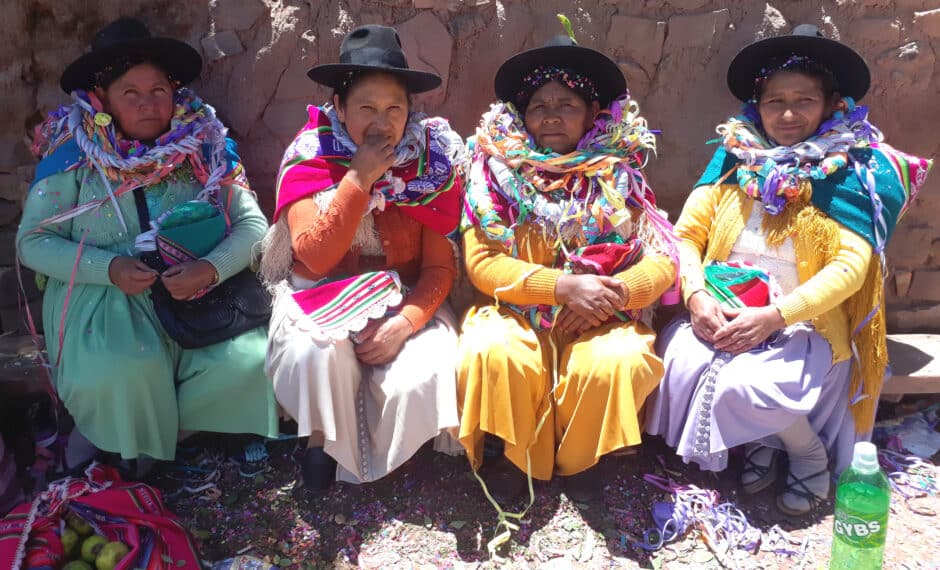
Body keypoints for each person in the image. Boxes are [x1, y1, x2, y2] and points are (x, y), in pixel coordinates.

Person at [645, 25, 932, 516]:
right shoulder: (734, 161)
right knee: (675, 359)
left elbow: (851, 267)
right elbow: (686, 236)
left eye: (804, 101)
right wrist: (695, 296)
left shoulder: (854, 173)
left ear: (831, 105)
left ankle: (806, 453)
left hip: (803, 325)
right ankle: (764, 441)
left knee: (745, 385)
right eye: (775, 101)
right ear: (757, 106)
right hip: (723, 306)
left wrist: (775, 317)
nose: (788, 114)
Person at [16, 18, 278, 463]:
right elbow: (33, 241)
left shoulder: (206, 148)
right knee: (127, 367)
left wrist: (210, 269)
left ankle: (186, 434)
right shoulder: (74, 156)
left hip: (198, 292)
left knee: (248, 360)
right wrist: (110, 268)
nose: (147, 103)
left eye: (158, 89)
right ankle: (131, 447)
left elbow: (252, 225)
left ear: (174, 92)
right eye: (130, 93)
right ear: (102, 99)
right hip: (102, 299)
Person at [457, 30, 677, 505]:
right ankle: (516, 459)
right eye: (539, 105)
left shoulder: (619, 177)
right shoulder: (491, 176)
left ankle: (581, 461)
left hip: (598, 317)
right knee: (494, 349)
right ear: (522, 115)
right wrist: (561, 288)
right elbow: (482, 263)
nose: (552, 115)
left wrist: (614, 294)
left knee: (620, 358)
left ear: (593, 114)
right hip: (517, 313)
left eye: (567, 105)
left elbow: (662, 258)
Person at [261, 25, 466, 491]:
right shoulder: (310, 158)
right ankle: (320, 439)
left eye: (394, 108)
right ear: (338, 107)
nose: (382, 122)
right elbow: (314, 258)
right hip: (321, 297)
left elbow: (439, 268)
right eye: (366, 108)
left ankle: (389, 450)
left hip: (402, 299)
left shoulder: (432, 166)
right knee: (314, 355)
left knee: (427, 371)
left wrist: (406, 323)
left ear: (410, 110)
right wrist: (358, 178)